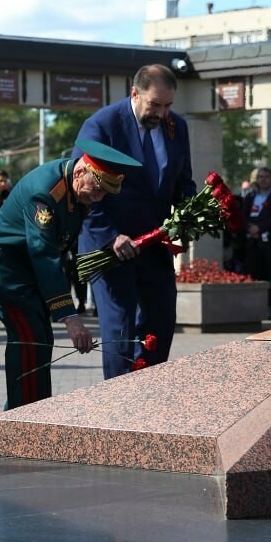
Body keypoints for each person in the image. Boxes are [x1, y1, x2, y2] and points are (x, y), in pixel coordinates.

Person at [0, 139, 142, 407]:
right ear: (79, 173)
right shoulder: (46, 193)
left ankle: (33, 410)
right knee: (29, 335)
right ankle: (22, 418)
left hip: (23, 268)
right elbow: (44, 254)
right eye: (95, 190)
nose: (97, 198)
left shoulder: (78, 189)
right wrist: (70, 318)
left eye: (103, 194)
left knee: (41, 337)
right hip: (0, 267)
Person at [76, 64, 195, 378]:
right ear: (134, 94)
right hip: (110, 246)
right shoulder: (103, 125)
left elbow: (183, 180)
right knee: (121, 326)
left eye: (168, 106)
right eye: (154, 105)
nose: (161, 113)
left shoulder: (176, 127)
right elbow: (84, 189)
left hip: (153, 243)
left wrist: (189, 212)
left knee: (162, 320)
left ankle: (148, 395)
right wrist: (111, 236)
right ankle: (117, 405)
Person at [242, 167, 271, 316]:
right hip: (253, 244)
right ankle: (255, 309)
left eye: (266, 176)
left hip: (270, 244)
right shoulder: (250, 197)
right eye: (260, 177)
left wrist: (259, 228)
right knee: (254, 276)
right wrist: (249, 228)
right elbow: (243, 216)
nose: (263, 179)